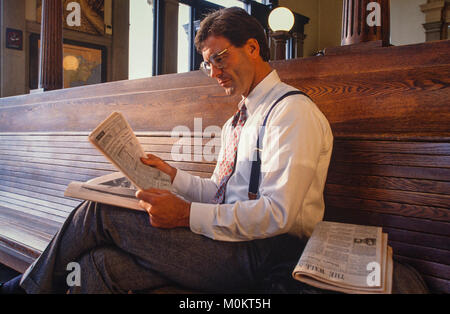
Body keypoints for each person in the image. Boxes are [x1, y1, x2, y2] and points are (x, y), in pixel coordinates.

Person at [0, 7, 333, 294]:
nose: (214, 73)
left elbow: (279, 214)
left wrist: (185, 215)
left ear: (251, 48)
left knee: (101, 213)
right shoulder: (237, 121)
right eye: (208, 65)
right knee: (94, 265)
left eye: (220, 58)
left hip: (261, 255)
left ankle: (24, 290)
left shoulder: (290, 112)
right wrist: (171, 176)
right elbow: (220, 193)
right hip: (227, 243)